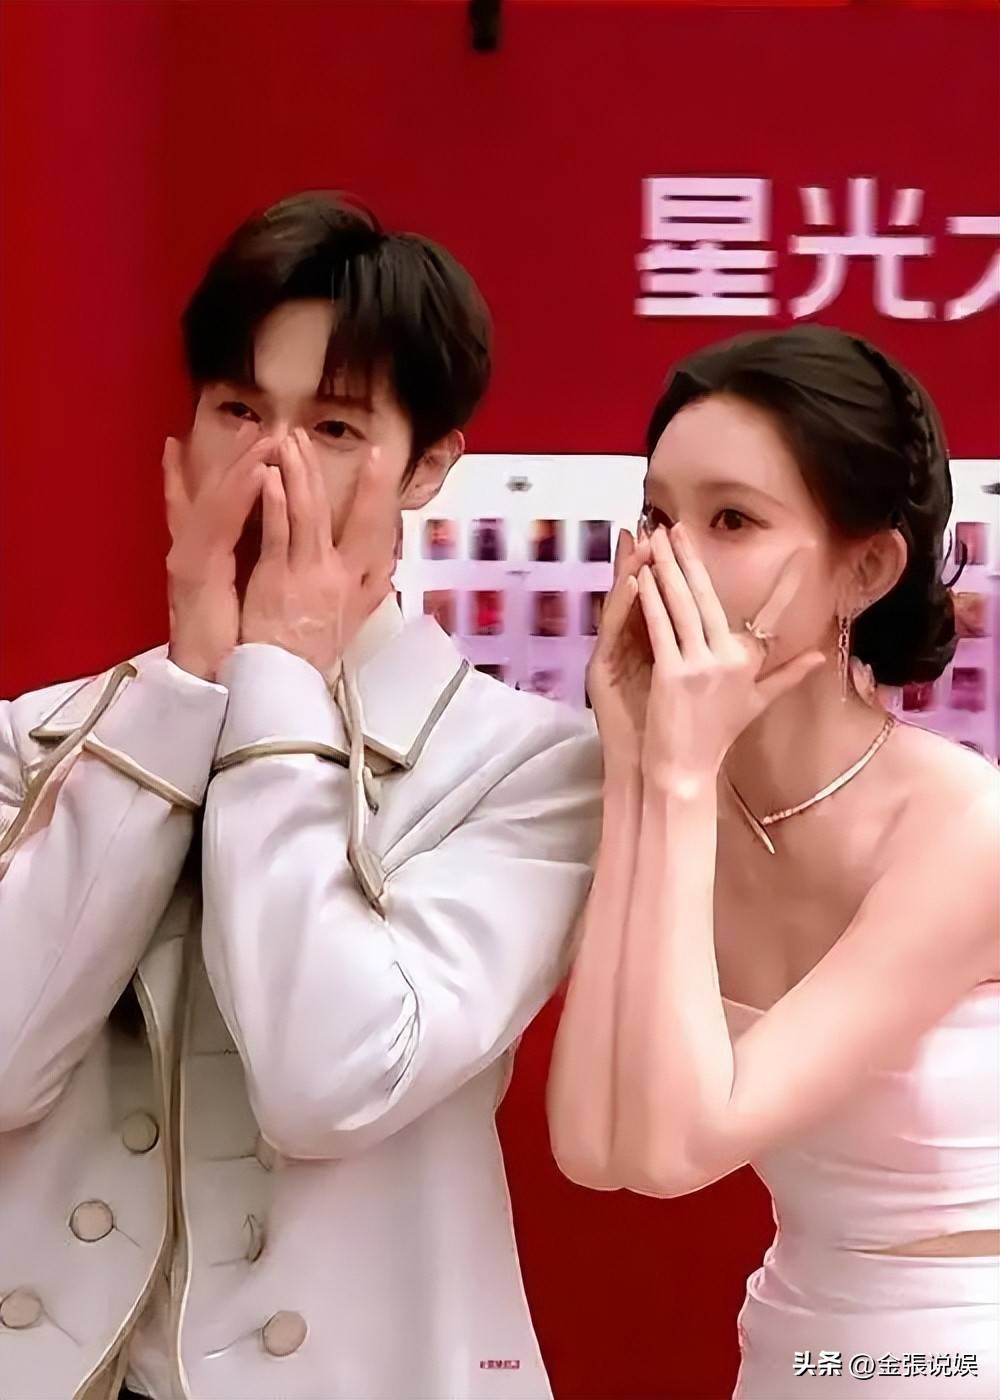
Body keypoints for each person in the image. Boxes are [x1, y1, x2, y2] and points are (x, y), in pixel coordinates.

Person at [0, 191, 601, 1400]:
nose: (272, 464)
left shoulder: (532, 766)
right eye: (238, 411)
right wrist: (182, 693)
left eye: (333, 427)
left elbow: (327, 1080)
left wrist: (273, 683)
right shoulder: (42, 732)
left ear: (430, 466)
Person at [546, 326, 1000, 1398]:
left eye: (733, 521)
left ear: (866, 568)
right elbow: (597, 1147)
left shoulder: (964, 829)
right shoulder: (673, 787)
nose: (669, 562)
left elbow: (681, 1149)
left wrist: (674, 779)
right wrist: (639, 769)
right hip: (797, 1336)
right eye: (658, 517)